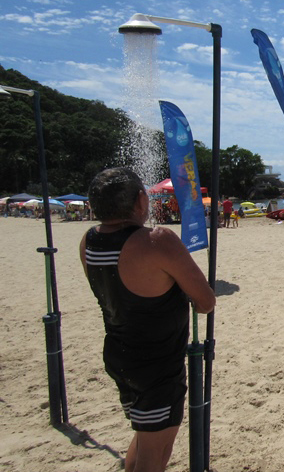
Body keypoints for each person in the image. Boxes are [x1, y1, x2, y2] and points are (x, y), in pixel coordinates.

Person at [79, 168, 216, 472]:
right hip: (157, 364)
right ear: (141, 199)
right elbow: (205, 302)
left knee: (144, 438)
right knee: (157, 452)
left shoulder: (88, 242)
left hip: (119, 354)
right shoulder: (157, 241)